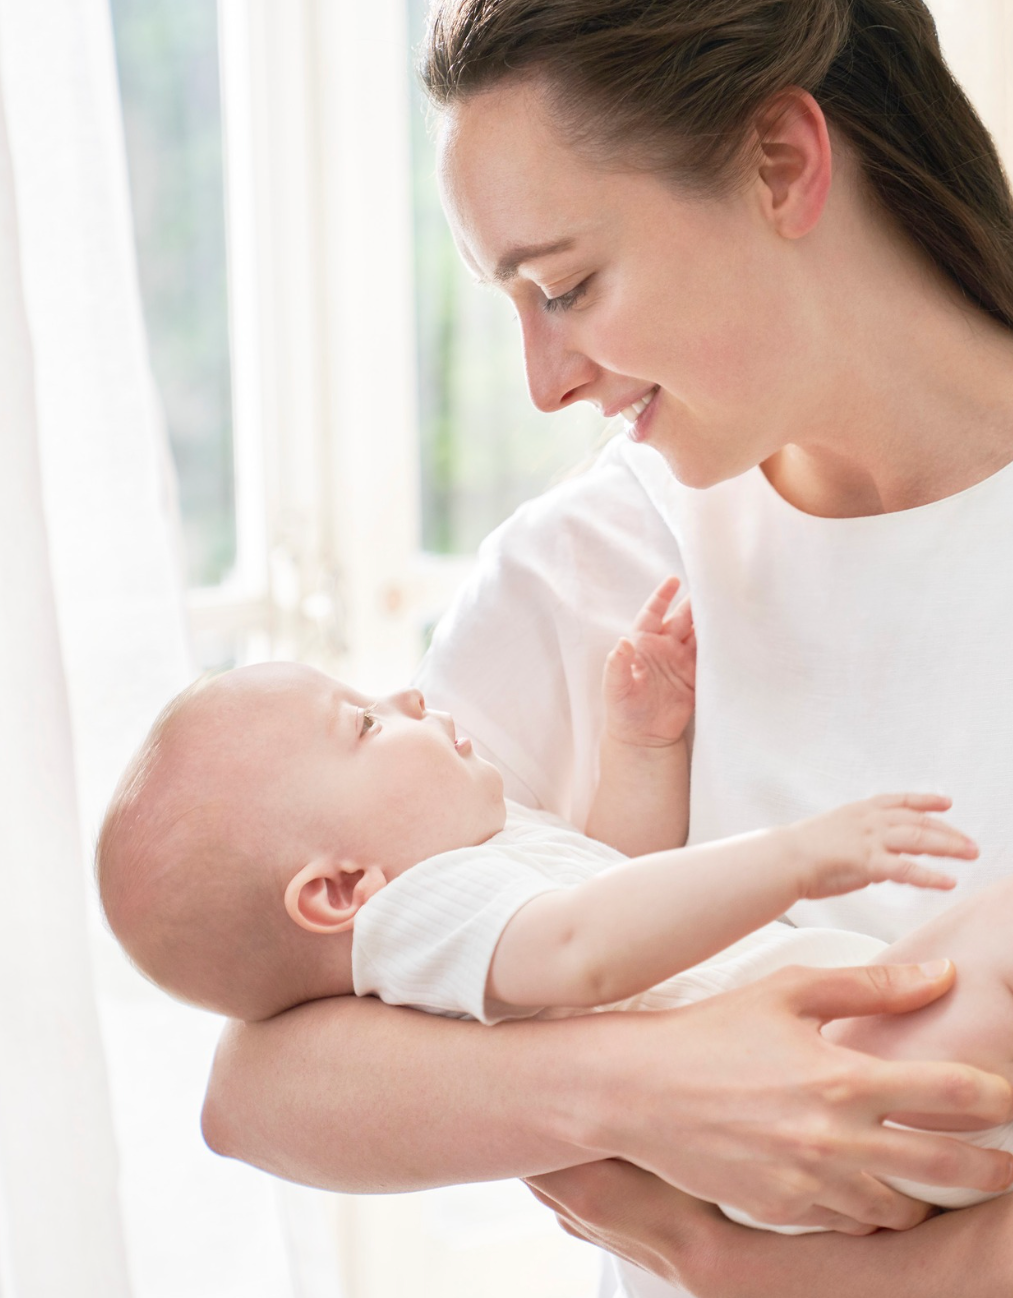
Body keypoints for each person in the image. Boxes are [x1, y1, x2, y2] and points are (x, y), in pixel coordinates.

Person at [200, 1, 1013, 1293]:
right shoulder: (592, 569)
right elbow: (261, 1086)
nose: (542, 380)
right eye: (513, 304)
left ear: (780, 164)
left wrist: (760, 1272)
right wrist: (652, 1090)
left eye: (566, 285)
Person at [99, 617, 1009, 1234]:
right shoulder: (410, 920)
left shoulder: (473, 859)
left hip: (842, 1072)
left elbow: (616, 880)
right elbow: (587, 949)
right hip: (834, 1082)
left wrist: (642, 749)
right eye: (365, 725)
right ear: (339, 891)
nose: (408, 700)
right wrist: (798, 858)